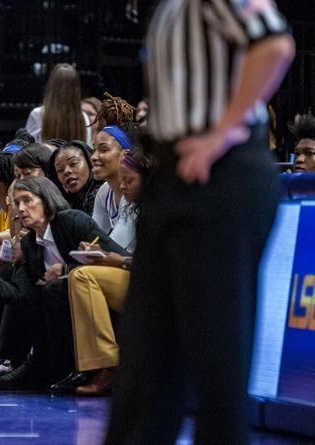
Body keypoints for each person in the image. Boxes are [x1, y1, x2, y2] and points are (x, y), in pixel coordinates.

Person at [105, 1, 294, 444]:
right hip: (173, 176)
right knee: (146, 358)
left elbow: (275, 45)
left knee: (216, 356)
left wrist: (223, 130)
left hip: (219, 176)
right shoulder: (168, 8)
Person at [0, 176, 127, 390]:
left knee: (54, 289)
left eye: (27, 200)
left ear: (45, 199)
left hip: (109, 302)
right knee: (34, 293)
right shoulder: (30, 244)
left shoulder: (72, 221)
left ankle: (83, 368)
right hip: (72, 311)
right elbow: (18, 293)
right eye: (17, 203)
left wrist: (66, 270)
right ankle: (38, 363)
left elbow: (116, 259)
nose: (21, 209)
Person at [52, 147, 152, 397]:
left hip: (162, 286)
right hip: (138, 276)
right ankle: (103, 365)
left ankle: (109, 366)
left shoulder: (165, 208)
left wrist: (118, 261)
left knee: (82, 275)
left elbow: (159, 264)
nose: (123, 186)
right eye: (121, 180)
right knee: (81, 275)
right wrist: (100, 256)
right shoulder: (133, 207)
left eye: (129, 180)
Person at [25, 64, 93, 144]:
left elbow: (26, 148)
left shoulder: (37, 114)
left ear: (51, 86)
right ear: (76, 90)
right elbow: (87, 148)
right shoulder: (84, 117)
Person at [91, 122, 137, 235]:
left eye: (103, 150)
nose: (93, 157)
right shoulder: (104, 192)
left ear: (125, 154)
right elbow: (95, 237)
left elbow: (119, 243)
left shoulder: (137, 192)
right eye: (94, 150)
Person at [48, 140, 100, 216]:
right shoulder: (68, 205)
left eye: (73, 164)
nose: (66, 171)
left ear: (89, 162)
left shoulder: (102, 194)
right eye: (60, 170)